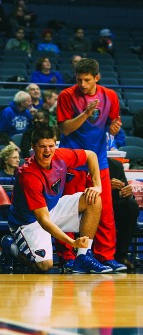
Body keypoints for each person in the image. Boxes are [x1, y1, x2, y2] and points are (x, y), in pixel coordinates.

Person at [0, 127, 111, 274]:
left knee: (94, 199)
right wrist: (71, 242)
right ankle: (10, 247)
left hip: (51, 208)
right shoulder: (28, 175)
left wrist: (97, 186)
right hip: (28, 221)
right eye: (42, 146)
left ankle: (83, 257)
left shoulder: (61, 156)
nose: (47, 151)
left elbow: (91, 155)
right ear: (33, 147)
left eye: (51, 146)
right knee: (44, 265)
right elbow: (43, 220)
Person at [56, 58, 126, 272]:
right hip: (73, 161)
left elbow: (113, 126)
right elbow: (65, 129)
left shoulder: (110, 96)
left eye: (87, 80)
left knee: (104, 212)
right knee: (69, 211)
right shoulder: (66, 95)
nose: (83, 84)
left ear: (97, 78)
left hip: (99, 161)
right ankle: (68, 257)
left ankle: (105, 256)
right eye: (79, 80)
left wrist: (114, 128)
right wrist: (85, 113)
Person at [108, 158, 138, 272]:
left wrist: (128, 193)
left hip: (111, 206)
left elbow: (122, 193)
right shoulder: (80, 164)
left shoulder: (115, 165)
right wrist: (106, 187)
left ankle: (121, 255)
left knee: (130, 205)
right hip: (88, 205)